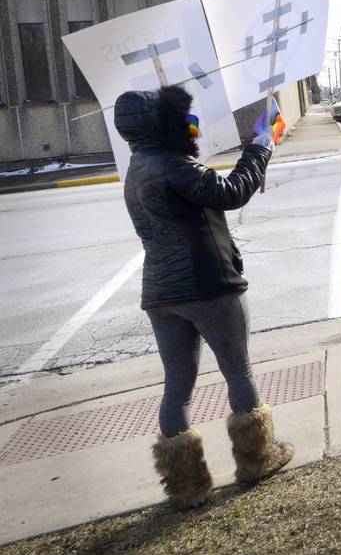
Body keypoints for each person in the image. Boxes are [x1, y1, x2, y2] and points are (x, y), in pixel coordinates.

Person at [115, 85, 292, 510]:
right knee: (238, 370)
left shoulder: (138, 167)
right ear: (158, 123)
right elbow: (232, 192)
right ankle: (257, 460)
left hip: (161, 293)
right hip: (208, 284)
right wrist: (263, 143)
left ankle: (186, 485)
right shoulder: (172, 165)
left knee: (177, 385)